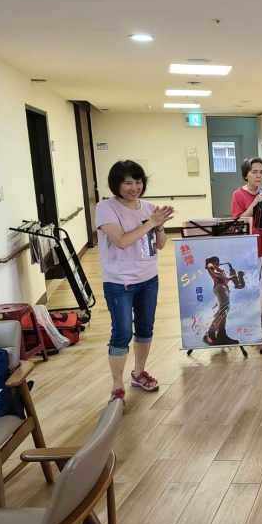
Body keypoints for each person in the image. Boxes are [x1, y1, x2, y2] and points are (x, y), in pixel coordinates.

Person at [96, 160, 174, 406]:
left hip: (148, 278)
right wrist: (151, 222)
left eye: (138, 182)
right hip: (119, 281)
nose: (134, 187)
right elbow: (120, 241)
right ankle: (117, 386)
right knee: (121, 332)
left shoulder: (149, 207)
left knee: (145, 327)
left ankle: (139, 373)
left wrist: (159, 226)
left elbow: (160, 245)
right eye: (128, 182)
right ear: (116, 184)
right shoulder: (106, 207)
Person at [231, 158, 262, 334]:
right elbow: (238, 222)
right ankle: (250, 320)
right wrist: (254, 204)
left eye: (261, 172)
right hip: (251, 247)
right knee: (254, 284)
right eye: (254, 172)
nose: (259, 175)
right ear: (246, 175)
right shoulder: (238, 194)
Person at [202, 256, 241, 346]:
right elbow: (215, 273)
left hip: (223, 287)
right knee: (224, 308)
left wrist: (230, 278)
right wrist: (227, 277)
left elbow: (223, 279)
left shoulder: (215, 267)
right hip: (220, 287)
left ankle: (221, 335)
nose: (218, 263)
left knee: (224, 309)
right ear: (213, 260)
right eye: (217, 261)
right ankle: (211, 333)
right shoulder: (210, 264)